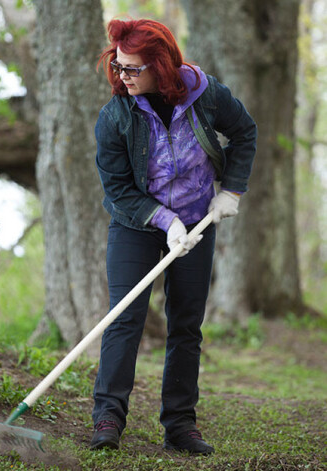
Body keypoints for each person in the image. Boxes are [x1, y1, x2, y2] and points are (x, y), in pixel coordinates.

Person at [90, 18, 257, 455]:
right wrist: (165, 221)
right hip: (137, 225)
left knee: (186, 325)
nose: (121, 77)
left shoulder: (206, 93)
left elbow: (244, 131)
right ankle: (108, 417)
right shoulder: (115, 117)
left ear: (160, 66)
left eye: (131, 69)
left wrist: (231, 192)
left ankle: (180, 426)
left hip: (197, 221)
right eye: (117, 66)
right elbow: (119, 190)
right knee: (125, 317)